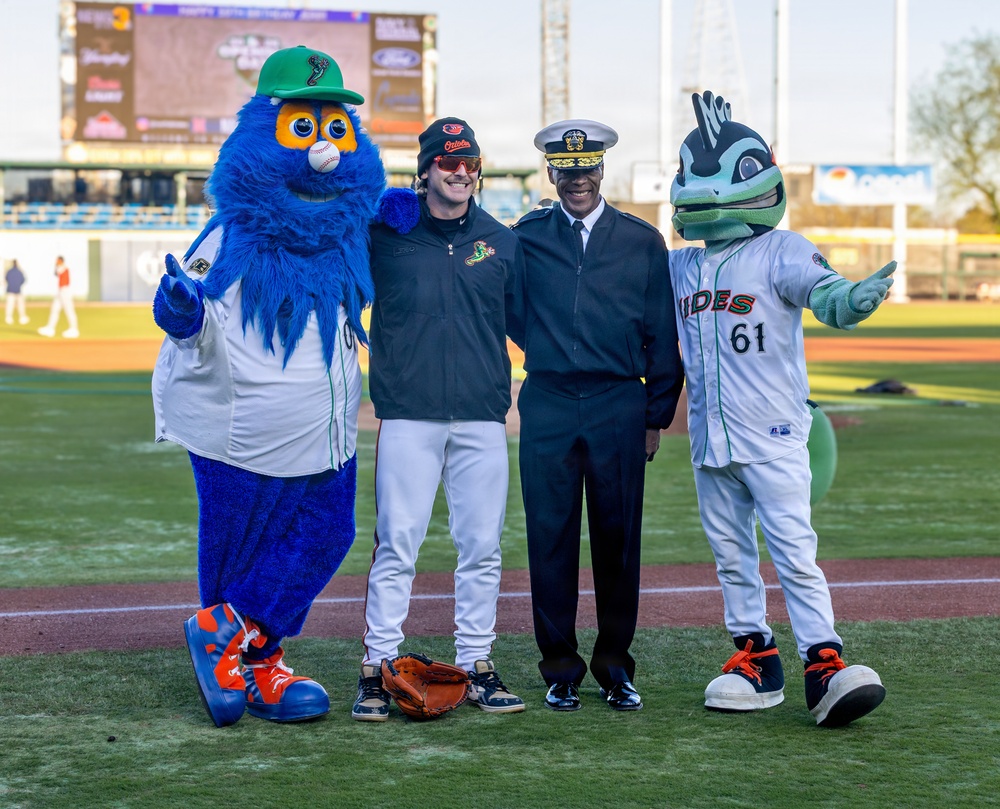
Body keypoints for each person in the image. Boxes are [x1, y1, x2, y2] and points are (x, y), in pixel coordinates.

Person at [668, 90, 888, 727]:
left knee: (794, 550)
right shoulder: (681, 266)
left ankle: (824, 662)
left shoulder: (782, 249)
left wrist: (851, 300)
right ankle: (756, 658)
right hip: (711, 440)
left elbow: (824, 292)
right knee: (730, 554)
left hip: (775, 433)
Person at [351, 117, 526, 722]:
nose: (460, 171)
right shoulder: (383, 234)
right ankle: (376, 665)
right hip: (408, 414)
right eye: (448, 161)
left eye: (470, 161)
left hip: (481, 417)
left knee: (481, 546)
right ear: (425, 169)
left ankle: (477, 662)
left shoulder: (502, 241)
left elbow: (528, 326)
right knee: (397, 543)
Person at [508, 120, 684, 712]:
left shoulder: (641, 241)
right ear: (551, 173)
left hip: (618, 405)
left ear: (602, 170)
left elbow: (664, 331)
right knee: (549, 537)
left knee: (617, 540)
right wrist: (548, 347)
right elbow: (511, 310)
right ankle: (559, 668)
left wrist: (655, 415)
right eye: (565, 170)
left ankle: (615, 667)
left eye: (586, 169)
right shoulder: (526, 236)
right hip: (549, 402)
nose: (576, 180)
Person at [38, 256, 79, 338]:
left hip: (65, 291)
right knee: (55, 309)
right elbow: (56, 273)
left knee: (69, 310)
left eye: (58, 261)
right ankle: (50, 328)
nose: (57, 262)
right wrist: (56, 265)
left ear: (61, 261)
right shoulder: (60, 267)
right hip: (60, 291)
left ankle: (74, 329)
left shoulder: (64, 268)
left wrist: (56, 265)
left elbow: (57, 272)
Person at [5, 259, 29, 325]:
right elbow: (23, 280)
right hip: (17, 290)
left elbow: (6, 278)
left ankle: (9, 318)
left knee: (10, 305)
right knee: (20, 305)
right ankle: (22, 318)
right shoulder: (20, 271)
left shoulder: (9, 271)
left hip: (10, 290)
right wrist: (17, 285)